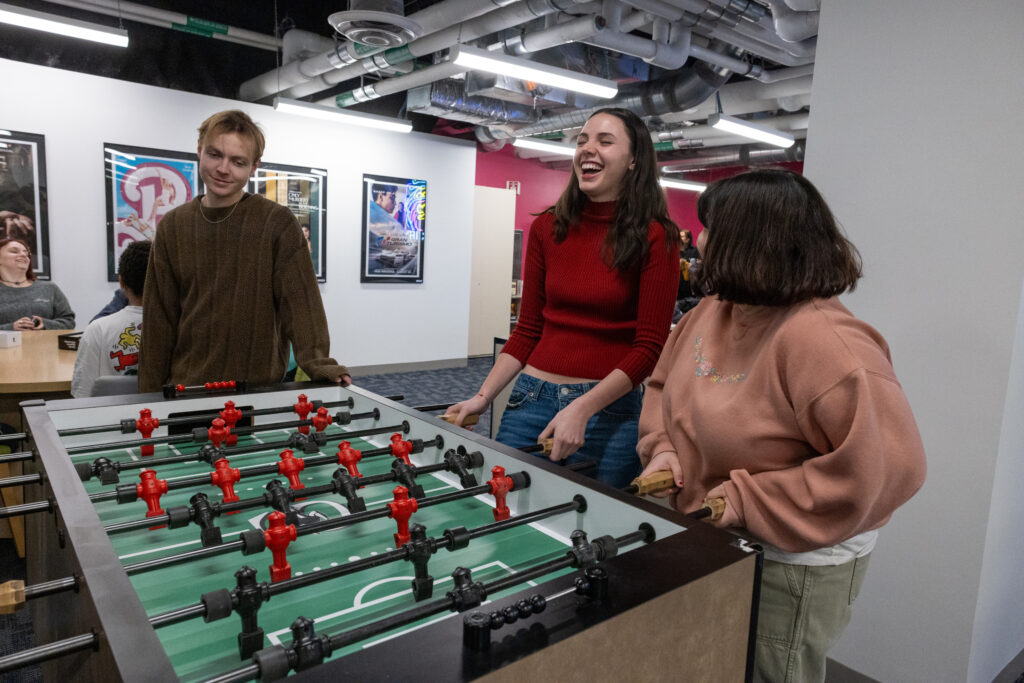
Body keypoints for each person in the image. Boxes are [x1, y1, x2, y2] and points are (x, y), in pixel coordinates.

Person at [636, 169, 927, 683]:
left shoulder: (828, 344)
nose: (697, 239)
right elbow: (662, 388)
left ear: (749, 241)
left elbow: (888, 470)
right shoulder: (712, 309)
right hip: (712, 535)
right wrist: (664, 449)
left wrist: (748, 500)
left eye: (709, 228)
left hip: (791, 565)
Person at [446, 108, 680, 488]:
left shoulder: (656, 237)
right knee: (505, 508)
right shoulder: (547, 227)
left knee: (602, 533)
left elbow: (649, 347)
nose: (588, 149)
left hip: (609, 412)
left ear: (634, 160)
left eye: (605, 141)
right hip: (530, 399)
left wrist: (583, 407)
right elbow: (528, 329)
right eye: (583, 140)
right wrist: (483, 396)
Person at [139, 110, 350, 391]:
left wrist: (320, 364)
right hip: (186, 389)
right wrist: (149, 396)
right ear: (199, 151)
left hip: (257, 390)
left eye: (238, 162)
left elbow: (301, 305)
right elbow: (159, 320)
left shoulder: (276, 223)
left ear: (254, 166)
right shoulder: (173, 226)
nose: (224, 169)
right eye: (215, 155)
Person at [72, 241, 150, 397]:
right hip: (164, 419)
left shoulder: (98, 330)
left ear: (121, 282)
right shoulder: (182, 328)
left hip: (111, 419)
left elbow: (82, 394)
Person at [0, 237, 74, 330]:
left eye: (26, 253)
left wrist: (45, 324)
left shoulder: (50, 288)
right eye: (14, 251)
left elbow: (69, 322)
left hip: (47, 344)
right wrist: (10, 327)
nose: (23, 255)